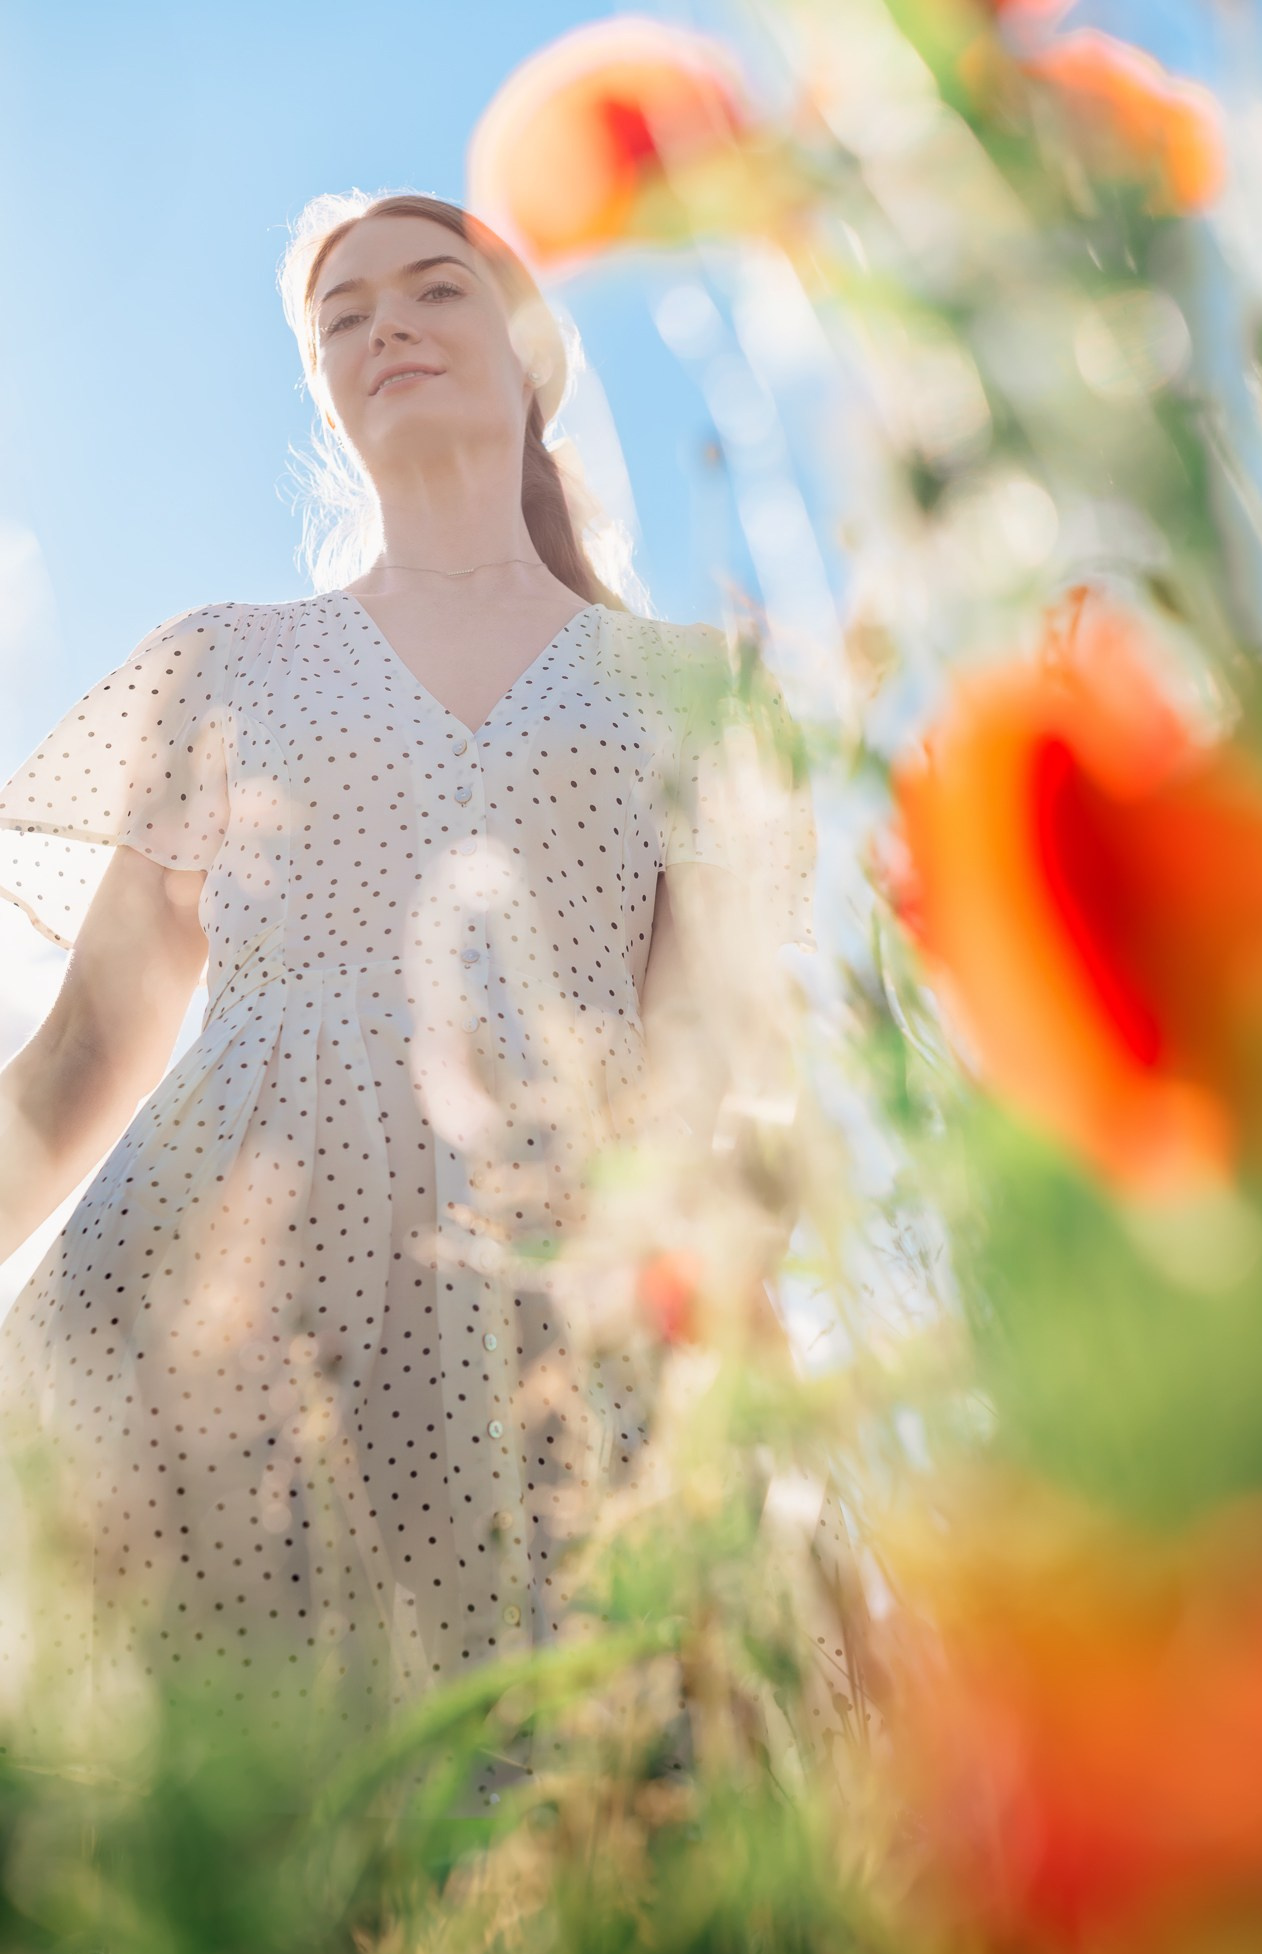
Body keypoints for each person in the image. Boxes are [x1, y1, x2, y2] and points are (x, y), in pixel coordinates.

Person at [0, 192, 823, 1817]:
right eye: (343, 314)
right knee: (238, 1842)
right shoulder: (225, 666)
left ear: (532, 350)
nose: (387, 323)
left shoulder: (694, 690)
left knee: (562, 1832)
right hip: (220, 1334)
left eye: (436, 286)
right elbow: (85, 1053)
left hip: (547, 1334)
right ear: (325, 395)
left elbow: (703, 1062)